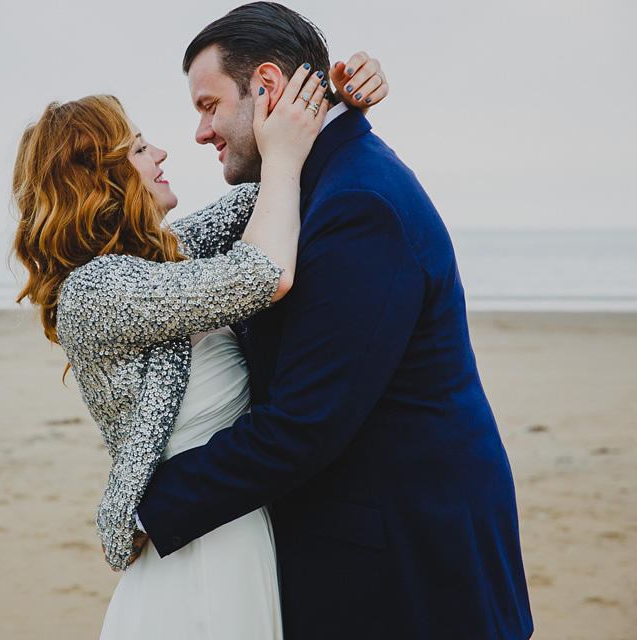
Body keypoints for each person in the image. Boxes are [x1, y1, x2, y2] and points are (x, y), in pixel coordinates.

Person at [133, 3, 535, 639]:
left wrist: (149, 508)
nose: (200, 132)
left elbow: (304, 421)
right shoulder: (307, 183)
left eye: (209, 105)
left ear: (265, 88)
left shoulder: (356, 203)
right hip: (370, 539)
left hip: (407, 561)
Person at [14, 52, 385, 638]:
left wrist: (335, 104)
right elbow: (263, 273)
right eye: (138, 148)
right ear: (98, 178)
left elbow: (262, 203)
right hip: (197, 555)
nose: (160, 153)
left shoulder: (159, 259)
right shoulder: (98, 289)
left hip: (226, 524)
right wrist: (285, 159)